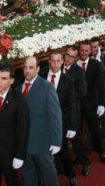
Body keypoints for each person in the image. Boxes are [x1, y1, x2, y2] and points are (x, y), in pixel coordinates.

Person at [19, 56, 62, 186]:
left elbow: (55, 116)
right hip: (24, 145)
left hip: (43, 144)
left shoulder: (47, 87)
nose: (27, 71)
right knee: (28, 178)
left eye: (31, 67)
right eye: (25, 67)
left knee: (48, 177)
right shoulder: (18, 88)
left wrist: (56, 141)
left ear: (37, 69)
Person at [39, 51, 79, 186]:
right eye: (53, 61)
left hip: (60, 122)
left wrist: (73, 126)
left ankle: (71, 176)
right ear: (49, 62)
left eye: (58, 61)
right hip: (43, 122)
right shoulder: (41, 77)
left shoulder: (68, 81)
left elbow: (72, 105)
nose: (55, 64)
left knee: (63, 150)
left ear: (62, 62)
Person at [0, 64, 30, 186]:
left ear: (11, 81)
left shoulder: (19, 99)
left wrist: (19, 155)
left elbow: (24, 129)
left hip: (9, 154)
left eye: (4, 78)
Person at [76, 41, 105, 164]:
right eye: (82, 50)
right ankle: (81, 155)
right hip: (77, 105)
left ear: (90, 51)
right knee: (77, 132)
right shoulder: (74, 65)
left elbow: (102, 86)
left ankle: (100, 152)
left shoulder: (96, 65)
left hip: (92, 104)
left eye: (86, 50)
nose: (84, 53)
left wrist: (101, 104)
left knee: (95, 131)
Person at [62, 46, 89, 176]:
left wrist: (67, 97)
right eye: (67, 55)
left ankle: (85, 162)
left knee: (76, 139)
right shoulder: (56, 69)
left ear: (76, 58)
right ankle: (61, 166)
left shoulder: (79, 71)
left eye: (72, 57)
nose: (68, 58)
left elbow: (82, 92)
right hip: (59, 112)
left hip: (73, 111)